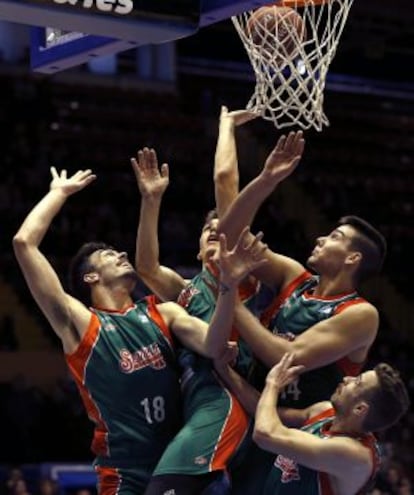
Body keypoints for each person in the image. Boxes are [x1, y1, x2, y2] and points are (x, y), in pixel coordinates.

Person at [12, 166, 266, 495]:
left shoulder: (165, 313)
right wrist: (58, 193)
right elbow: (24, 243)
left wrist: (229, 287)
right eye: (108, 254)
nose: (120, 253)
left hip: (178, 459)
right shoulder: (80, 324)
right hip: (124, 472)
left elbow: (216, 345)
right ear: (91, 278)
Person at [216, 129, 387, 494]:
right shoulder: (294, 276)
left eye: (334, 238)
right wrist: (266, 180)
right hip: (256, 413)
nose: (320, 239)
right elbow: (229, 237)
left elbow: (283, 357)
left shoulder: (360, 314)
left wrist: (229, 298)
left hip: (304, 446)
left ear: (352, 258)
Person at [133, 106, 266, 494]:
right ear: (194, 250)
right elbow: (145, 266)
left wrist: (225, 127)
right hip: (193, 402)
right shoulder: (186, 289)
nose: (215, 232)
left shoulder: (239, 275)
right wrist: (151, 200)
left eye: (220, 228)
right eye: (207, 230)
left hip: (222, 398)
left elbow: (226, 181)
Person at [251, 352, 410, 495]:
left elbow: (265, 434)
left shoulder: (355, 456)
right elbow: (265, 412)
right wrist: (226, 372)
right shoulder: (326, 411)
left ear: (359, 409)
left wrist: (272, 384)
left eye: (357, 381)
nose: (347, 378)